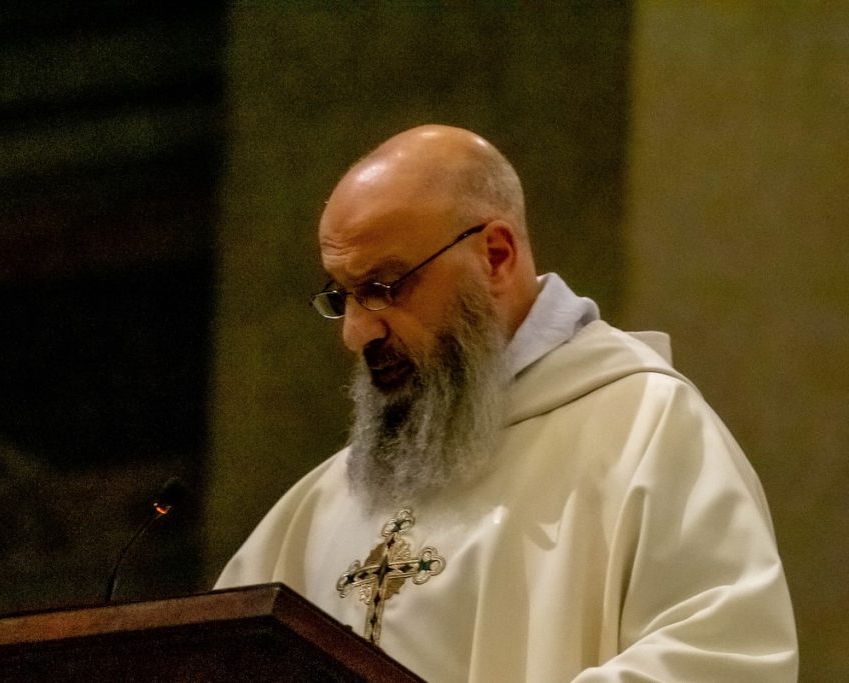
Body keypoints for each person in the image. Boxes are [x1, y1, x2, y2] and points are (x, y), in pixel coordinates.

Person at [215, 125, 797, 681]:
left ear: (495, 255)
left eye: (384, 287)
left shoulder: (645, 434)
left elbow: (724, 658)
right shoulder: (320, 505)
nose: (357, 331)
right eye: (343, 295)